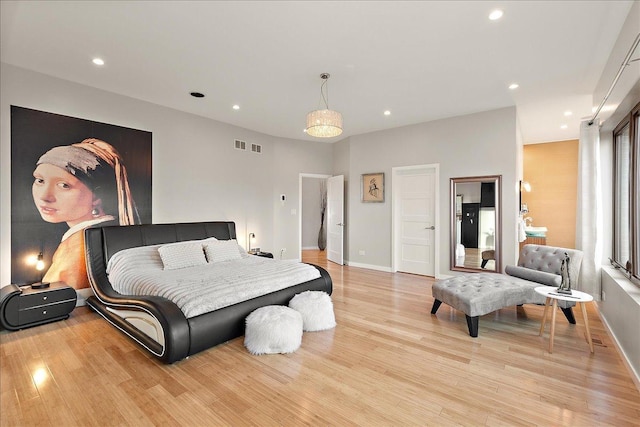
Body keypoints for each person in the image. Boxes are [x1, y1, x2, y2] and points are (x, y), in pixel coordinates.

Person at [32, 138, 139, 289]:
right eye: (40, 180)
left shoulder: (78, 247)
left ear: (97, 196)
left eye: (64, 185)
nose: (45, 196)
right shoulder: (110, 232)